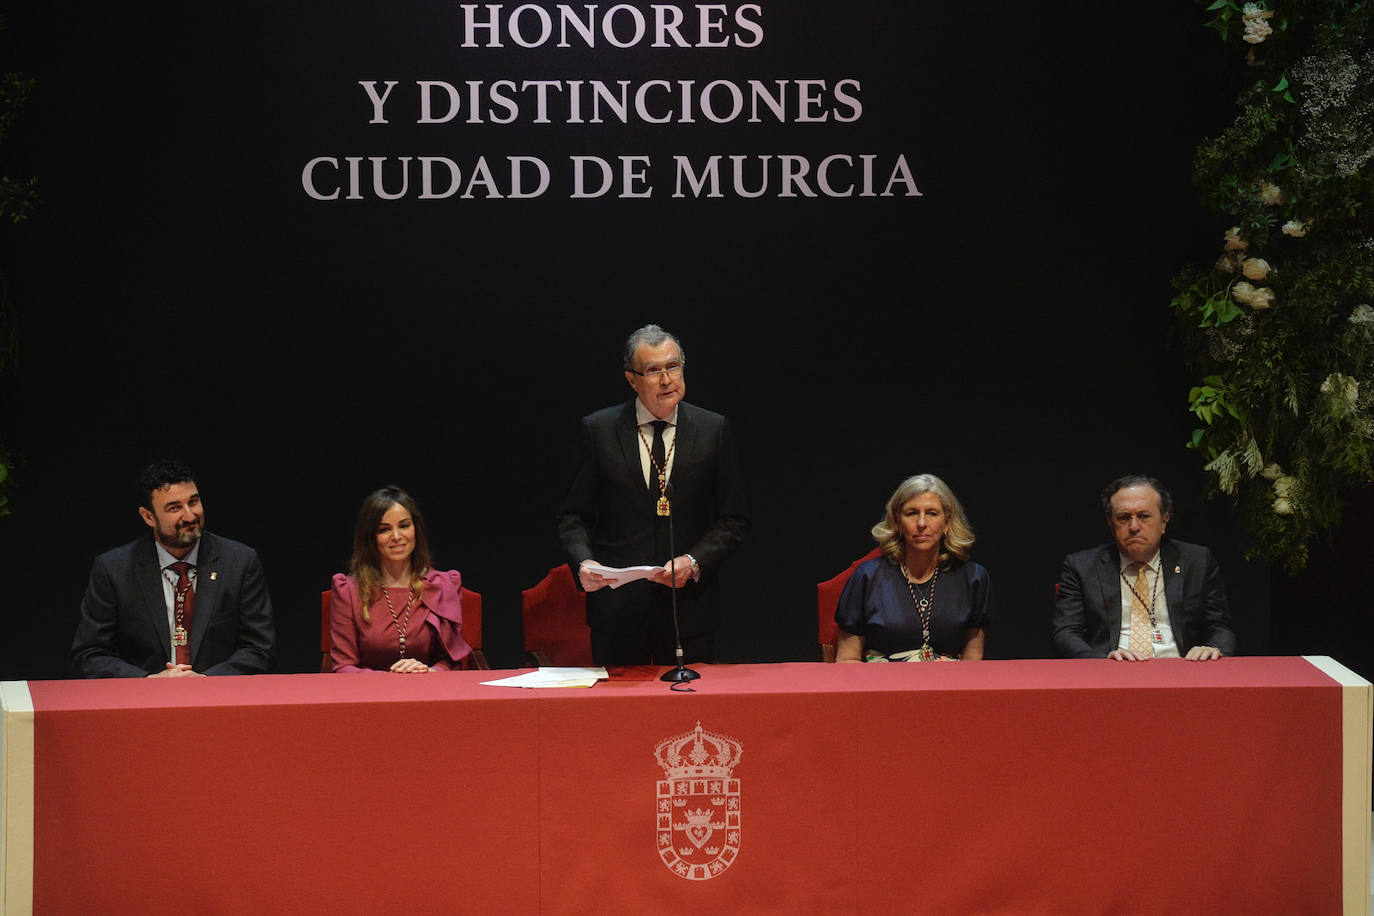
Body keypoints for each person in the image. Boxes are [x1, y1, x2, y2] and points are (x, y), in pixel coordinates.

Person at [556, 324, 750, 666]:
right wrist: (584, 561)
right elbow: (574, 516)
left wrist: (693, 561)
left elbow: (733, 519)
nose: (666, 380)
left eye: (673, 367)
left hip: (688, 612)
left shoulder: (713, 429)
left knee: (687, 717)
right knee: (620, 719)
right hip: (618, 615)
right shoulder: (599, 430)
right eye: (653, 370)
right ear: (632, 379)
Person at [71, 460, 276, 677]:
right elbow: (89, 653)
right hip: (143, 702)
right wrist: (148, 681)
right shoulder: (114, 569)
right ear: (148, 516)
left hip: (219, 699)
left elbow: (260, 650)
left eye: (193, 502)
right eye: (174, 507)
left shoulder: (239, 562)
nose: (189, 516)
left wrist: (206, 681)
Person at [1052, 474, 1237, 661]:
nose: (1134, 526)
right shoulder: (1082, 566)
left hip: (1183, 669)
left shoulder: (1196, 561)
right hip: (1113, 671)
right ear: (1110, 523)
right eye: (1123, 517)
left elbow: (1218, 625)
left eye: (1143, 516)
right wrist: (1101, 661)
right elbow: (1066, 632)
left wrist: (1214, 649)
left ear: (1164, 520)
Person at [834, 474, 990, 662]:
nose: (922, 523)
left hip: (947, 685)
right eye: (912, 513)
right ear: (898, 522)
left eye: (932, 513)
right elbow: (847, 661)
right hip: (882, 685)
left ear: (947, 523)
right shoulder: (868, 577)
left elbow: (973, 663)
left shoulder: (973, 578)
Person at [329, 486, 472, 673]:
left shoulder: (443, 585)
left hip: (430, 691)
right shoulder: (348, 591)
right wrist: (392, 679)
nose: (396, 537)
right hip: (370, 695)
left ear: (415, 530)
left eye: (404, 526)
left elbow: (451, 660)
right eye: (384, 529)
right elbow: (343, 666)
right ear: (370, 537)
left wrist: (431, 672)